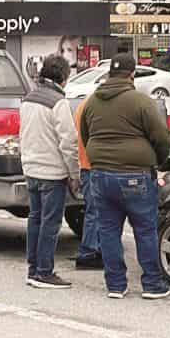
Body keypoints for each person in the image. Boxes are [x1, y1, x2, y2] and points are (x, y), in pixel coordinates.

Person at [78, 52, 170, 300]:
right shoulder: (141, 101)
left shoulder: (92, 102)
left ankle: (116, 285)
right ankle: (152, 284)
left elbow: (86, 135)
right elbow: (161, 137)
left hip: (100, 174)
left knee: (108, 230)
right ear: (132, 74)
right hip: (135, 175)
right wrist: (157, 160)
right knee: (144, 229)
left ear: (109, 73)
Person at [18, 55, 81, 289]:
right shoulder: (58, 102)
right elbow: (69, 142)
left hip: (31, 169)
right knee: (50, 222)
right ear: (64, 77)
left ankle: (33, 268)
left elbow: (23, 133)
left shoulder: (28, 99)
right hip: (52, 172)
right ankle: (44, 272)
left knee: (35, 219)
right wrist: (74, 174)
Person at [71, 97, 103, 270]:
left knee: (94, 210)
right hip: (93, 165)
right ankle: (88, 252)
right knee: (95, 211)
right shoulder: (96, 106)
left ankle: (94, 249)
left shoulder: (85, 104)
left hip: (86, 164)